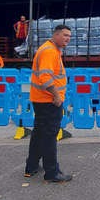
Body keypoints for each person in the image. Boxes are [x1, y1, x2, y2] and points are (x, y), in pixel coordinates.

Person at [24, 24, 72, 183]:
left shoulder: (49, 49)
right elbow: (45, 77)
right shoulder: (50, 51)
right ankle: (52, 172)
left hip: (41, 100)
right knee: (50, 136)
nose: (67, 39)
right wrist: (57, 96)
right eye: (64, 35)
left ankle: (31, 166)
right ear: (56, 35)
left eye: (69, 36)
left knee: (39, 133)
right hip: (49, 101)